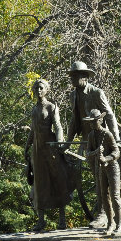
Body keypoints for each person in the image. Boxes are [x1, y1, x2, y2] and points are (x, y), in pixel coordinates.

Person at [65, 61, 120, 228]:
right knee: (97, 178)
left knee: (101, 176)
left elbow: (109, 115)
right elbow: (75, 120)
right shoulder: (73, 95)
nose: (72, 79)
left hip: (103, 139)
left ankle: (103, 214)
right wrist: (68, 142)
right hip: (89, 139)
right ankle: (103, 212)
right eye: (72, 76)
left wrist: (115, 139)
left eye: (75, 76)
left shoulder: (96, 93)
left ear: (84, 77)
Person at [24, 79, 75, 231]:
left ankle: (62, 220)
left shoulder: (51, 106)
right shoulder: (34, 109)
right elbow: (33, 131)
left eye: (41, 88)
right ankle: (41, 221)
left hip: (50, 147)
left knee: (57, 180)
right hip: (37, 151)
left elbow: (58, 126)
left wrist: (59, 142)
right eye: (36, 88)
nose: (38, 90)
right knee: (39, 184)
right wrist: (27, 147)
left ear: (46, 90)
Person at [85, 109, 121, 236]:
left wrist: (106, 158)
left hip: (112, 168)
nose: (92, 124)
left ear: (100, 121)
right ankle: (110, 223)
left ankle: (119, 224)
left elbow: (117, 152)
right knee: (104, 197)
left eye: (94, 121)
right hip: (101, 169)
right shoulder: (91, 135)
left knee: (115, 196)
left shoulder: (107, 134)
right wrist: (96, 152)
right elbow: (87, 153)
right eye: (91, 122)